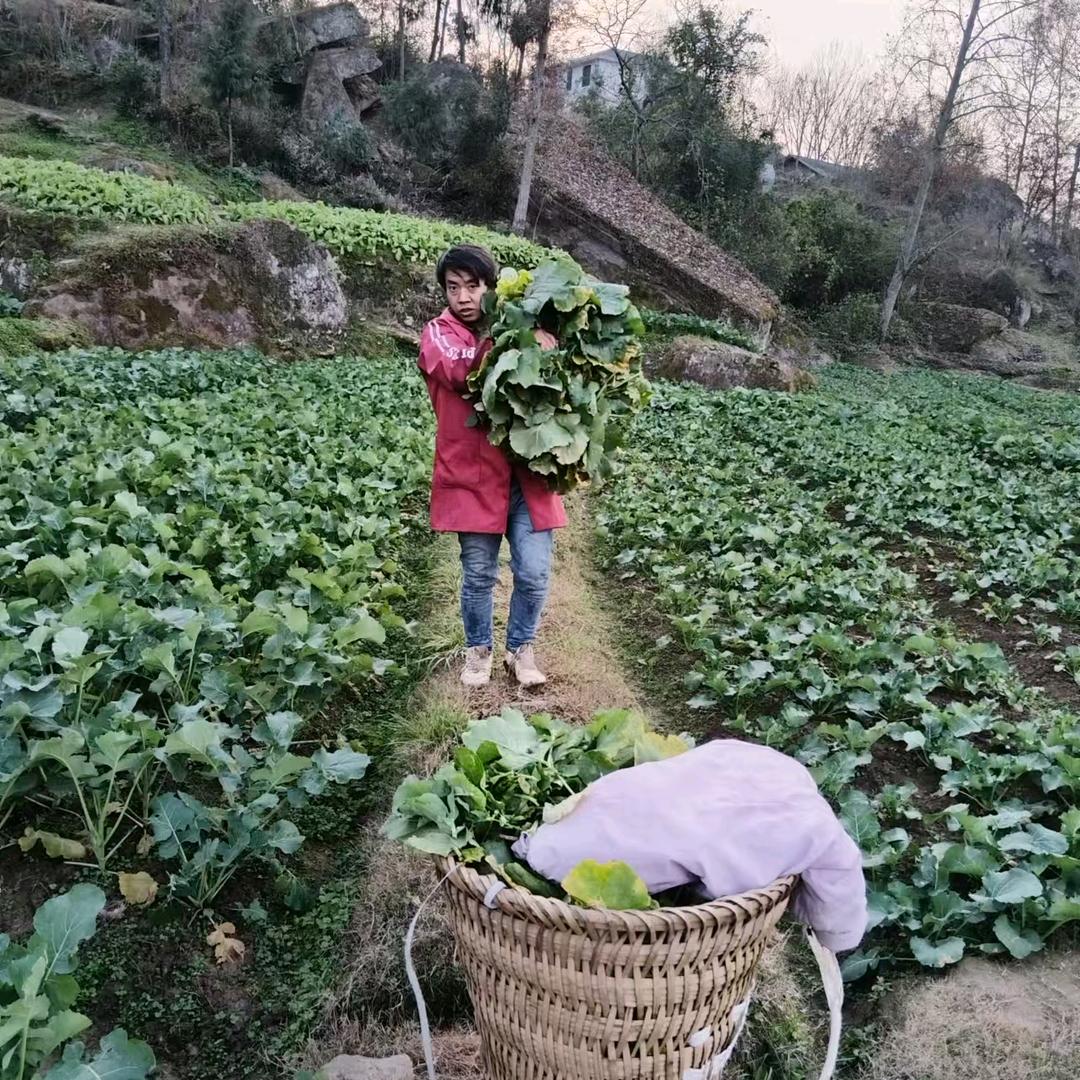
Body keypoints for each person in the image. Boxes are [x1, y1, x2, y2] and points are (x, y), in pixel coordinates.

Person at [513, 739, 868, 954]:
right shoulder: (816, 829)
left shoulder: (771, 766)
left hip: (564, 836)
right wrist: (834, 940)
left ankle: (544, 847)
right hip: (565, 856)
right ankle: (547, 850)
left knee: (631, 815)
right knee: (647, 840)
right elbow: (840, 888)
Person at [418, 245, 568, 689]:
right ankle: (478, 652)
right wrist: (521, 342)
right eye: (453, 287)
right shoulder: (437, 333)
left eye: (473, 285)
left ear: (490, 287)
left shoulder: (520, 323)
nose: (463, 296)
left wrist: (544, 340)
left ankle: (520, 650)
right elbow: (463, 370)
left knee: (535, 571)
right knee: (480, 572)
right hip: (472, 474)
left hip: (528, 473)